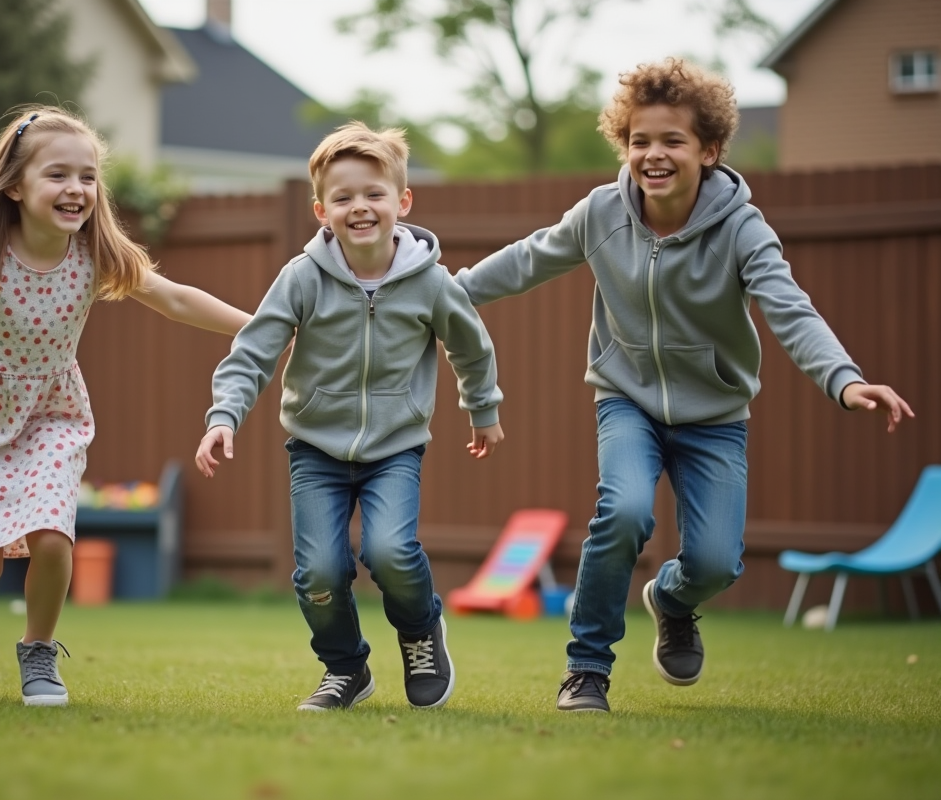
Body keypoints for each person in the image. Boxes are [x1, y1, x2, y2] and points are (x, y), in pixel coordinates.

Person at [451, 58, 914, 714]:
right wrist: (442, 296)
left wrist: (844, 379)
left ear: (709, 149)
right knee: (625, 511)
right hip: (626, 399)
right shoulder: (602, 213)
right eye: (640, 140)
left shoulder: (741, 228)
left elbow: (789, 306)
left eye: (672, 141)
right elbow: (525, 261)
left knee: (717, 562)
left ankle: (672, 600)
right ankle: (587, 669)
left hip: (715, 415)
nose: (654, 154)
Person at [0, 105, 251, 706]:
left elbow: (178, 300)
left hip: (51, 415)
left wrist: (262, 330)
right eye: (58, 175)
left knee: (53, 537)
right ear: (15, 185)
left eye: (87, 177)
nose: (76, 189)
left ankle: (38, 652)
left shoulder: (96, 256)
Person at [195, 121, 505, 711]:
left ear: (402, 201)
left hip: (395, 447)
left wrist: (482, 408)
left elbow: (471, 345)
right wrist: (223, 417)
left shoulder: (431, 282)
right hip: (315, 450)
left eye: (373, 193)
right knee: (318, 570)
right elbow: (254, 350)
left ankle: (419, 633)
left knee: (390, 552)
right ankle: (345, 668)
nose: (359, 206)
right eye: (343, 197)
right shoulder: (302, 278)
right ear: (321, 210)